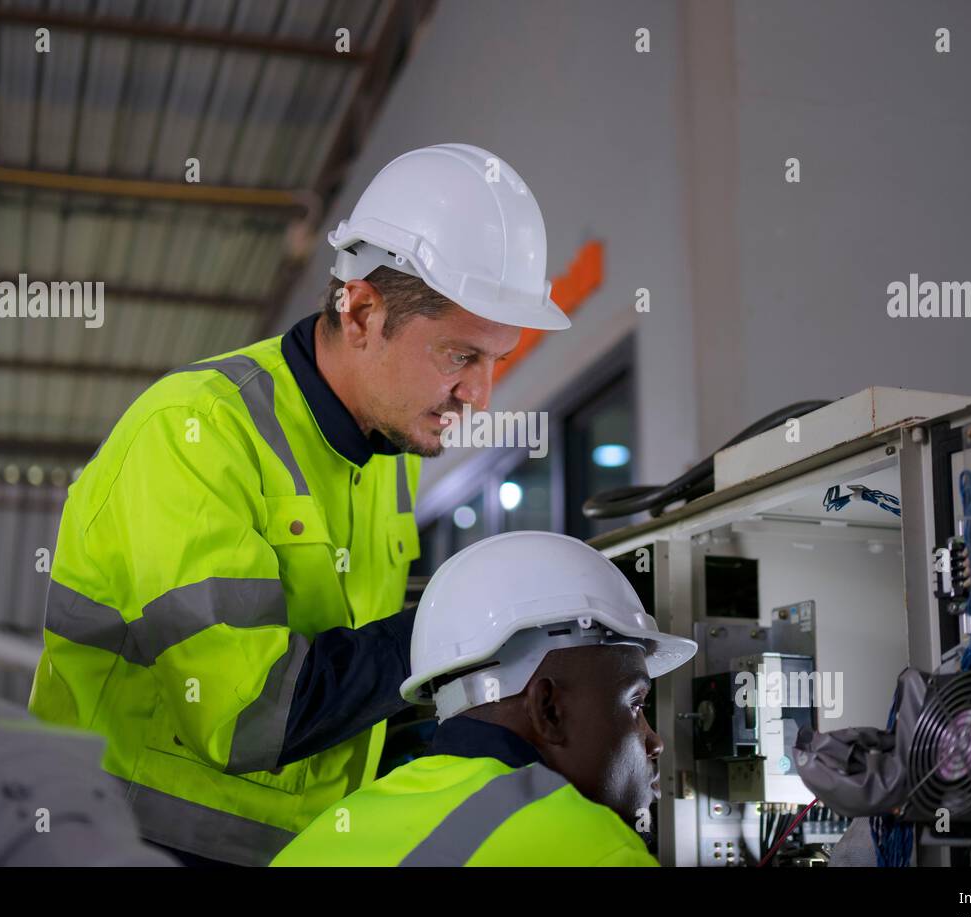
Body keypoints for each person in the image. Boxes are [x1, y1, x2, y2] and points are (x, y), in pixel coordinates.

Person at [28, 145, 570, 865]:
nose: (481, 395)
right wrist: (455, 631)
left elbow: (362, 694)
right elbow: (249, 718)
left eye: (496, 361)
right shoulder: (194, 432)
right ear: (364, 312)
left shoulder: (382, 458)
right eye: (460, 356)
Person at [271, 531, 697, 866]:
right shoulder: (596, 851)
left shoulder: (334, 830)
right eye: (636, 704)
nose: (654, 741)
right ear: (547, 708)